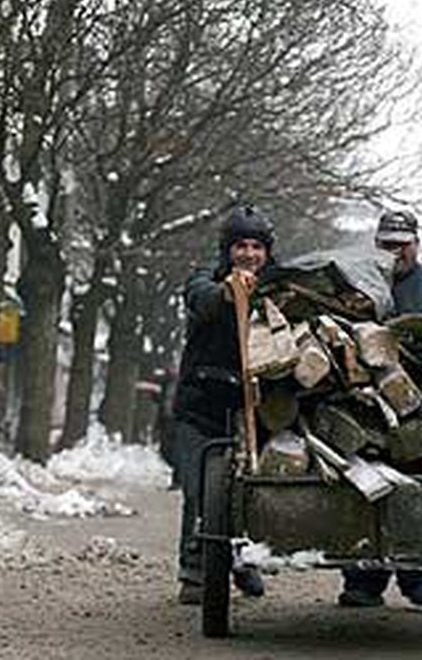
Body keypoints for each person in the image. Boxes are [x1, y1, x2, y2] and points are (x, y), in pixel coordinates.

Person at [338, 209, 422, 609]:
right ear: (377, 244)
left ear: (416, 244)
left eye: (402, 245)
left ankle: (421, 575)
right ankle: (364, 577)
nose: (395, 252)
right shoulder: (356, 285)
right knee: (365, 485)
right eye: (387, 244)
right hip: (367, 406)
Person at [172, 204, 276, 605]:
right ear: (227, 250)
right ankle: (195, 571)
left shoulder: (277, 290)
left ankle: (241, 559)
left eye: (256, 246)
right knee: (201, 490)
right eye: (240, 246)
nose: (248, 254)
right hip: (202, 406)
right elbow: (203, 299)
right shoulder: (204, 281)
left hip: (252, 407)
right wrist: (228, 292)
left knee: (251, 488)